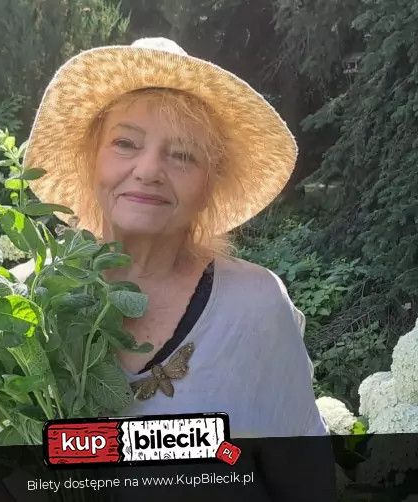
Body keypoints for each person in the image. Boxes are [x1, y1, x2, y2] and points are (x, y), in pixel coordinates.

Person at [18, 36, 328, 439]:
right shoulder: (25, 301)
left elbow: (303, 463)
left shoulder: (255, 305)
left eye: (182, 154)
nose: (149, 170)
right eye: (125, 143)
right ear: (90, 160)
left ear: (210, 185)